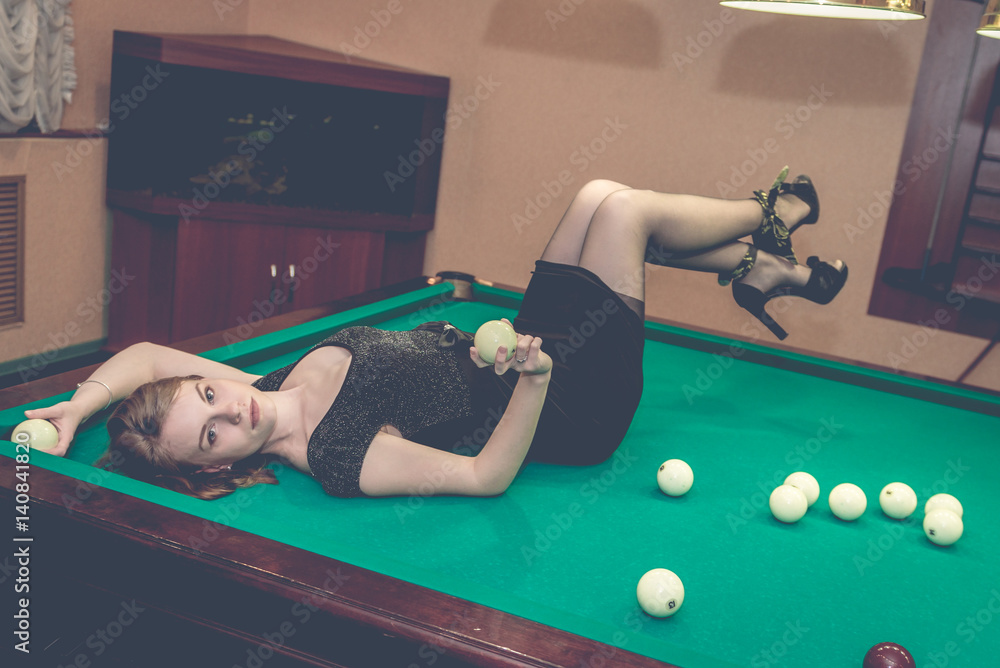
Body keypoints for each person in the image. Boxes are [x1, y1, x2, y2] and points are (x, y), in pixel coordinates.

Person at [25, 168, 847, 500]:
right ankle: (767, 223)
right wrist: (534, 378)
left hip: (514, 339)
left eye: (209, 395)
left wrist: (74, 407)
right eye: (208, 435)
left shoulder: (263, 390)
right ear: (218, 466)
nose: (228, 411)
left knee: (600, 194)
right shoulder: (336, 454)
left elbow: (138, 356)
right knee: (624, 215)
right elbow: (485, 475)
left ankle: (761, 270)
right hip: (569, 403)